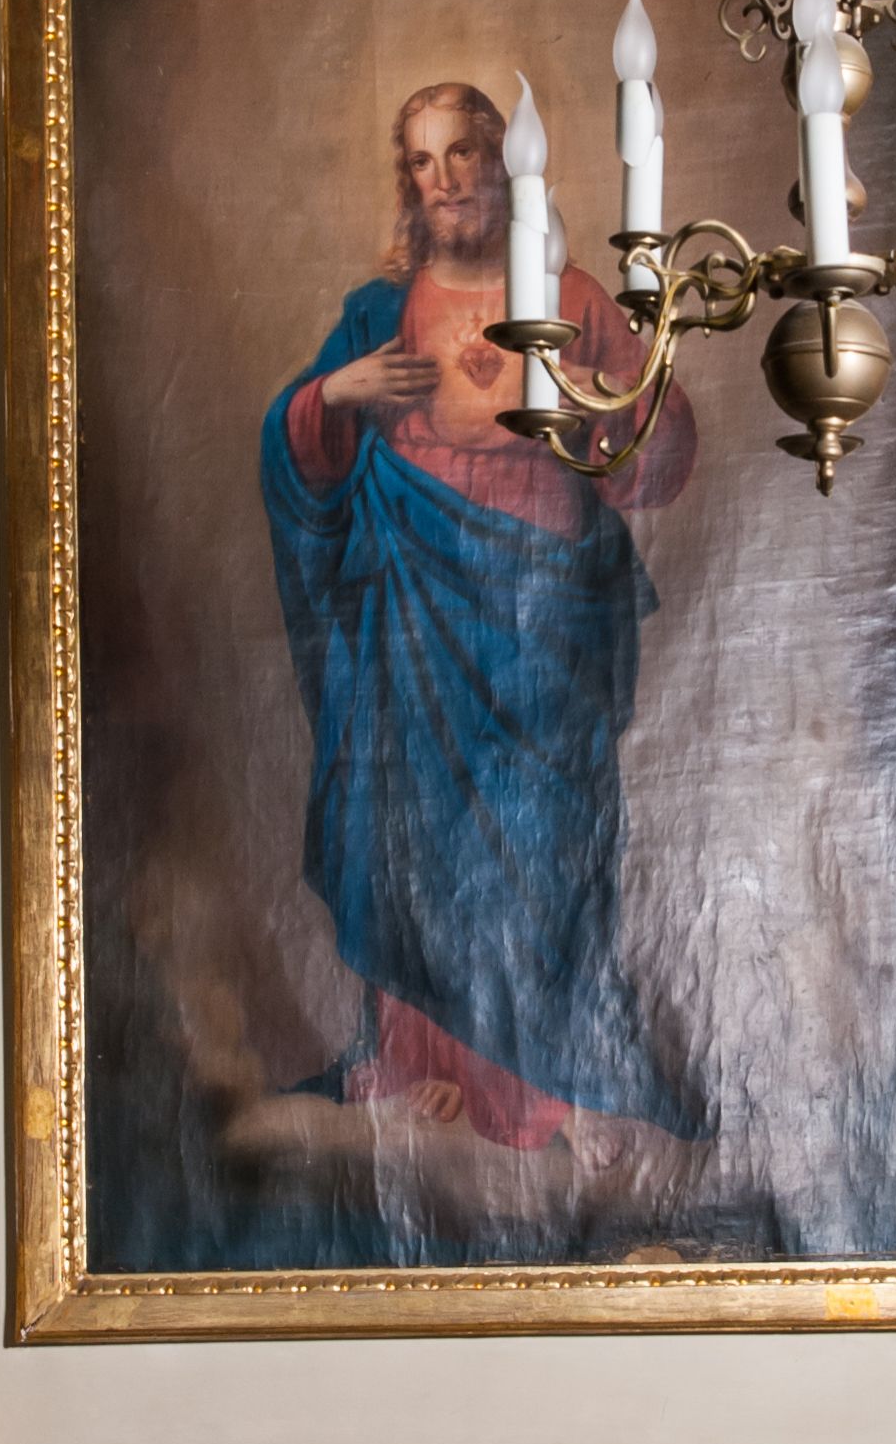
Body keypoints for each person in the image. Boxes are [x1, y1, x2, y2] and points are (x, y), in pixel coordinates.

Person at [260, 81, 700, 1158]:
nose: (444, 178)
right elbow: (295, 457)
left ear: (503, 164)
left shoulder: (573, 297)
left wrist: (604, 398)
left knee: (545, 849)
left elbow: (653, 460)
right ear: (406, 184)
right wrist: (338, 394)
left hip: (543, 618)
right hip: (410, 618)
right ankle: (423, 1062)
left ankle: (545, 1086)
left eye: (461, 152)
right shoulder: (378, 315)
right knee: (413, 835)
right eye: (422, 160)